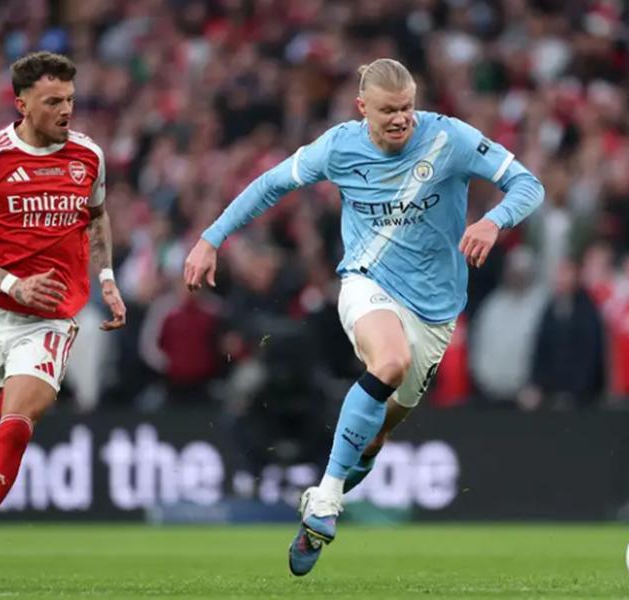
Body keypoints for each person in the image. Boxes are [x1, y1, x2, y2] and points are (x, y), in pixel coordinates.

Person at [184, 58, 543, 576]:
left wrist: (494, 220)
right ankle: (327, 501)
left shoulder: (450, 139)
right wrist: (210, 238)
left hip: (435, 312)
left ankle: (322, 496)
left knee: (374, 438)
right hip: (366, 282)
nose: (400, 119)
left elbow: (528, 184)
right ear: (362, 108)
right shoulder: (338, 147)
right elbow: (270, 184)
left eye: (407, 108)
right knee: (390, 361)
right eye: (388, 111)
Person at [0, 51, 126, 589]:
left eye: (70, 100)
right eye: (53, 101)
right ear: (22, 104)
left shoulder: (89, 156)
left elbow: (97, 218)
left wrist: (107, 280)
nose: (66, 110)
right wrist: (12, 283)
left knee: (14, 429)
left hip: (49, 320)